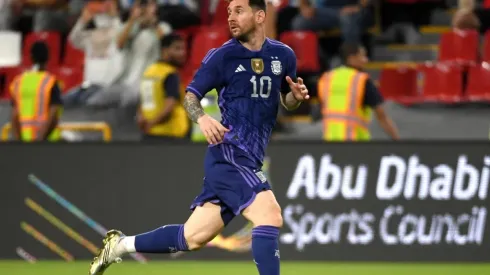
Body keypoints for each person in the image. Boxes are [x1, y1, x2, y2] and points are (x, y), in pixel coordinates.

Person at [88, 0, 309, 274]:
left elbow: (286, 101)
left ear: (260, 15)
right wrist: (203, 118)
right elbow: (191, 96)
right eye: (229, 11)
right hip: (229, 154)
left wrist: (294, 98)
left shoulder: (283, 56)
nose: (231, 17)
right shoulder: (222, 57)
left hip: (249, 159)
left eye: (239, 10)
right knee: (270, 214)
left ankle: (119, 245)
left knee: (192, 237)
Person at [318, 43, 399, 141]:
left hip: (329, 144)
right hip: (356, 145)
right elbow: (382, 117)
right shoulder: (361, 81)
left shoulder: (327, 78)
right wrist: (398, 142)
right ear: (351, 58)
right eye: (362, 56)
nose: (366, 60)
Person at [137, 33, 190, 141]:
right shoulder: (169, 74)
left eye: (183, 49)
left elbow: (144, 102)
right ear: (165, 50)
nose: (183, 53)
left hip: (149, 134)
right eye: (177, 49)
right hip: (171, 135)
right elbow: (169, 105)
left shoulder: (149, 72)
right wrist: (152, 123)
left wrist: (143, 121)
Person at [9, 41, 63, 142]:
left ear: (31, 57)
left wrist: (18, 142)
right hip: (47, 142)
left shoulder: (18, 82)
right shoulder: (51, 82)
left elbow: (14, 115)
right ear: (48, 58)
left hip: (24, 143)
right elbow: (53, 113)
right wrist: (39, 141)